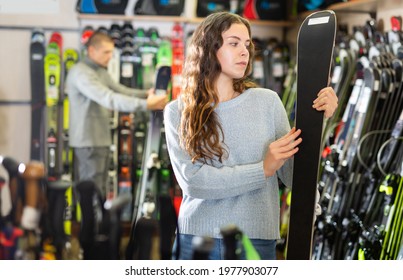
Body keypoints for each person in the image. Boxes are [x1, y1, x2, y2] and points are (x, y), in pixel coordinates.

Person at [163, 12, 338, 260]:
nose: (245, 52)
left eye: (247, 44)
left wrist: (318, 121)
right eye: (234, 43)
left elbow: (292, 172)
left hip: (255, 238)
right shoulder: (177, 112)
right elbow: (195, 182)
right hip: (197, 238)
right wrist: (263, 169)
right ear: (208, 49)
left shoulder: (267, 102)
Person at [65, 31, 168, 198]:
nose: (110, 57)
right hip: (87, 143)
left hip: (99, 140)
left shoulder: (100, 72)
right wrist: (146, 104)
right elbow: (109, 99)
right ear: (91, 50)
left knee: (100, 192)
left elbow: (120, 90)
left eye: (112, 52)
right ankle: (92, 225)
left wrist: (146, 94)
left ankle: (99, 224)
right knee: (90, 193)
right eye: (106, 52)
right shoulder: (81, 73)